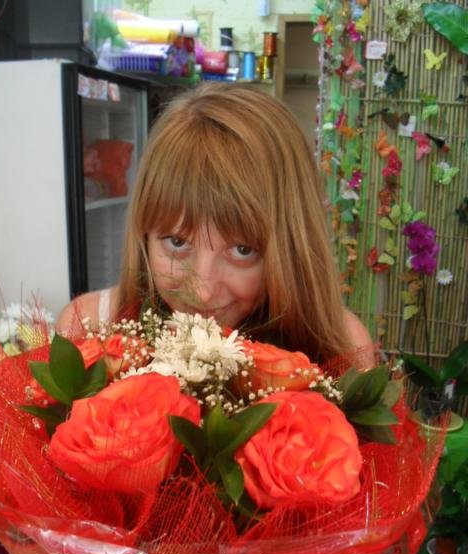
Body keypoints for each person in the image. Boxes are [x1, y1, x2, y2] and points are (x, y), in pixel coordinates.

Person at [57, 82, 372, 369]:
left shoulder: (344, 347)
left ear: (292, 249)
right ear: (144, 235)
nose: (202, 292)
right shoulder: (86, 327)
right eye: (177, 242)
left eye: (242, 250)